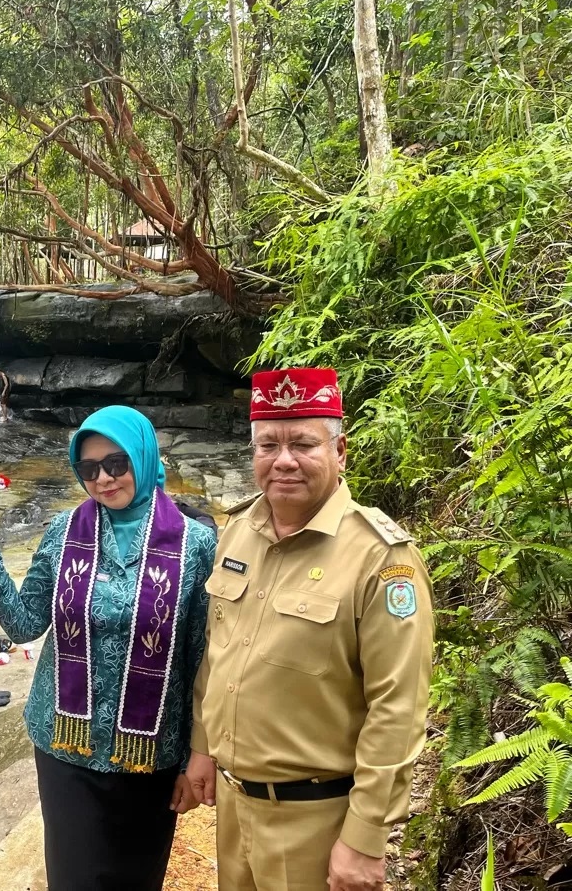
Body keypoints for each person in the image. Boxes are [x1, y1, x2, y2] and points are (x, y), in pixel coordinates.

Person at [183, 367, 434, 891]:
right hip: (233, 805)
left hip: (317, 821)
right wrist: (204, 746)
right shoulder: (238, 533)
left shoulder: (382, 559)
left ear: (340, 451)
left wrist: (365, 837)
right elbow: (219, 651)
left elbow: (399, 706)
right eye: (267, 444)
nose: (284, 460)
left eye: (303, 443)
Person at [0, 406, 215, 891]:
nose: (104, 479)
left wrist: (199, 755)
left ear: (143, 455)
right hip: (65, 745)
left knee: (136, 877)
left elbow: (201, 660)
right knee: (73, 878)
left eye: (116, 463)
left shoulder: (195, 545)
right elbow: (25, 623)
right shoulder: (64, 532)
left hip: (149, 753)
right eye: (89, 469)